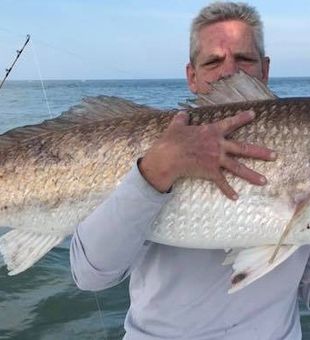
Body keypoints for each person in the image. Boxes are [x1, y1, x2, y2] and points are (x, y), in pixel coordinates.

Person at [70, 2, 310, 339]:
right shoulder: (142, 147)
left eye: (243, 59)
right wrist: (154, 172)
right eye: (213, 61)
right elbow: (90, 275)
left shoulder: (299, 142)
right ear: (191, 76)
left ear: (265, 69)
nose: (230, 72)